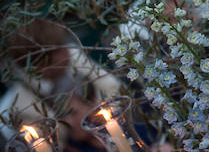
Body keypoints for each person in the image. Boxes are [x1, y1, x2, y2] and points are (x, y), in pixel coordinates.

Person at [0, 20, 121, 149]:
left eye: (63, 45)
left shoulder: (73, 57)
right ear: (38, 67)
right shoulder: (23, 103)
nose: (67, 52)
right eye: (58, 52)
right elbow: (51, 142)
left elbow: (111, 86)